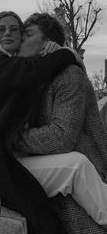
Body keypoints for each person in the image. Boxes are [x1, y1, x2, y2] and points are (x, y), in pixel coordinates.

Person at [0, 11, 80, 234]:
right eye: (1, 29)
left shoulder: (7, 63)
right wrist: (67, 52)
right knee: (41, 214)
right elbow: (33, 72)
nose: (8, 33)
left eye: (14, 29)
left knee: (40, 214)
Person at [14, 12, 107, 231]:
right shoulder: (35, 78)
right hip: (63, 182)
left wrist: (12, 139)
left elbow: (61, 137)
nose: (20, 41)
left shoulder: (69, 76)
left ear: (48, 44)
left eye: (27, 34)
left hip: (85, 185)